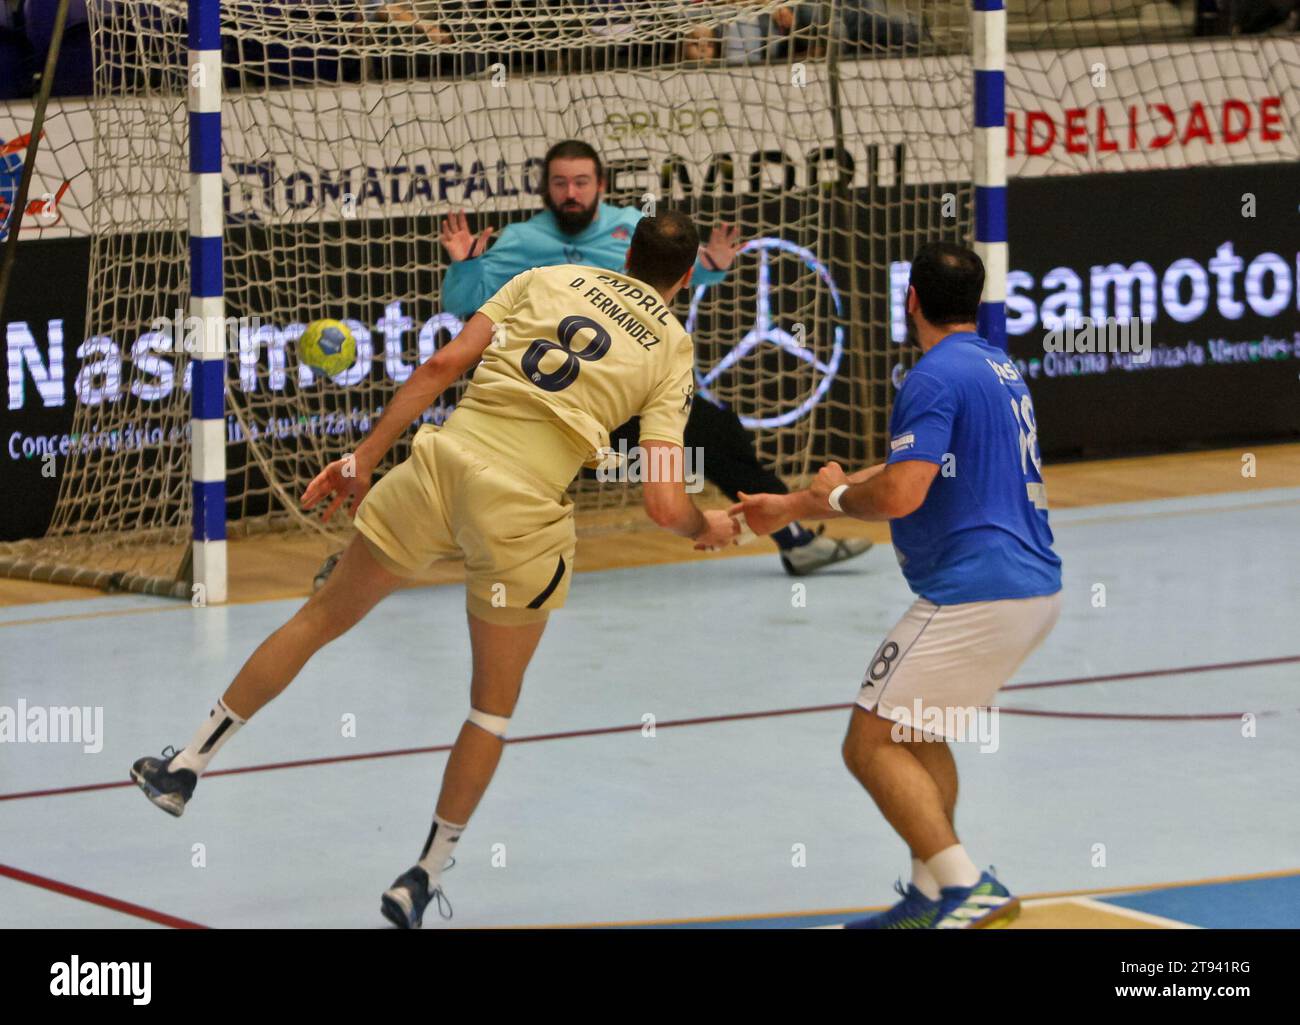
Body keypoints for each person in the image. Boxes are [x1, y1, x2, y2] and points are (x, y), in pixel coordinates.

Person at [131, 210, 741, 928]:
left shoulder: (548, 277)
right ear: (688, 274)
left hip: (443, 464)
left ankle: (187, 766)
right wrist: (710, 525)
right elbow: (664, 502)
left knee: (320, 616)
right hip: (522, 512)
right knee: (489, 707)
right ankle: (419, 875)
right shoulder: (671, 347)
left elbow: (440, 366)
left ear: (626, 251)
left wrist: (362, 457)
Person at [313, 139, 868, 585]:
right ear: (546, 190)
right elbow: (462, 306)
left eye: (581, 182)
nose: (571, 192)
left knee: (717, 433)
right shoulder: (521, 242)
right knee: (467, 466)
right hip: (544, 397)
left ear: (600, 186)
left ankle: (793, 541)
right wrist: (462, 266)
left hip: (618, 394)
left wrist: (716, 268)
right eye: (560, 183)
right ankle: (359, 562)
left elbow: (676, 276)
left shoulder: (632, 230)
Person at [734, 243, 1063, 929]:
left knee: (869, 742)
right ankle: (929, 892)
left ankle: (967, 885)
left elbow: (901, 493)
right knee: (917, 731)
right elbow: (904, 473)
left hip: (979, 590)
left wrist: (842, 494)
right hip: (1028, 588)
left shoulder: (934, 375)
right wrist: (796, 505)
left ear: (909, 300)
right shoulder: (998, 367)